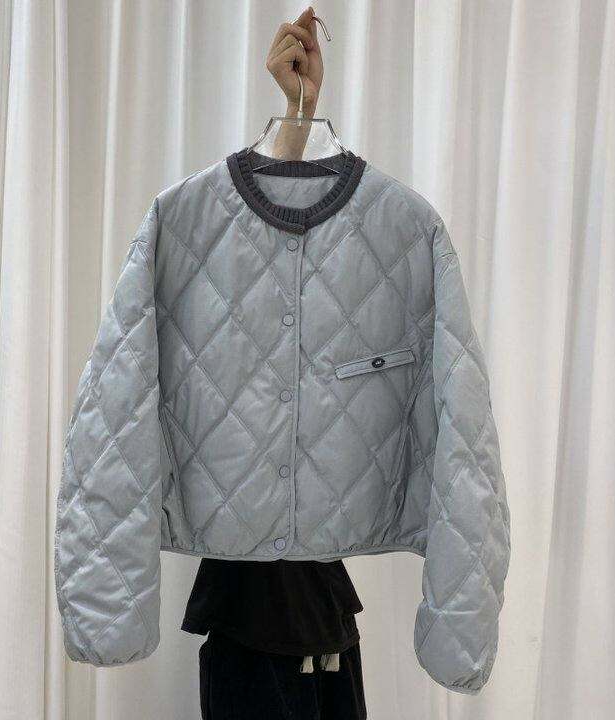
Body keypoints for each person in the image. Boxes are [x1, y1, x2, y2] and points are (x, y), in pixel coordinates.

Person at [180, 10, 368, 718]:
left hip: (318, 604)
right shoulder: (214, 280)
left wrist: (302, 112)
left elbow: (300, 238)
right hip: (254, 610)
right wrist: (296, 115)